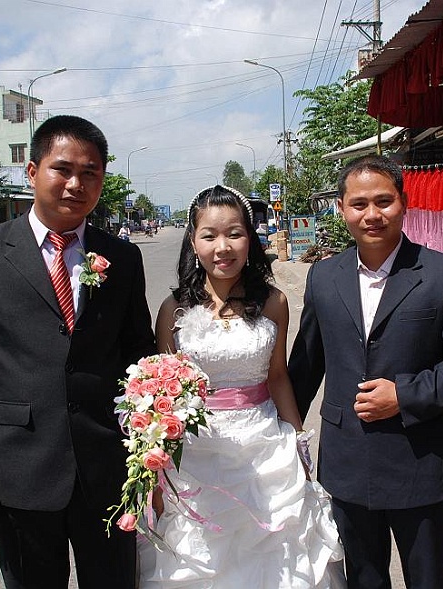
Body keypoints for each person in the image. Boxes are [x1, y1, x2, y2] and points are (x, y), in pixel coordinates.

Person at [0, 115, 156, 588]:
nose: (76, 184)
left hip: (108, 467)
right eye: (63, 169)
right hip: (19, 465)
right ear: (33, 171)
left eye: (91, 173)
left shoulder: (122, 257)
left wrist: (150, 445)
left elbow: (138, 353)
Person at [287, 155, 443, 589]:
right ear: (340, 208)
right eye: (359, 203)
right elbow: (306, 366)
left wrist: (404, 394)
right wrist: (280, 434)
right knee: (363, 578)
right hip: (347, 462)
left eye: (384, 201)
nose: (372, 214)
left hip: (420, 459)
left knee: (428, 579)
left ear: (404, 203)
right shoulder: (323, 277)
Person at [140, 185, 343, 588]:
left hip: (264, 442)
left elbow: (278, 376)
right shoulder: (173, 309)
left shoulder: (274, 302)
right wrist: (154, 469)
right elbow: (160, 395)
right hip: (194, 452)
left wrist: (298, 442)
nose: (223, 247)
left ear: (250, 237)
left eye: (234, 233)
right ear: (193, 241)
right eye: (209, 235)